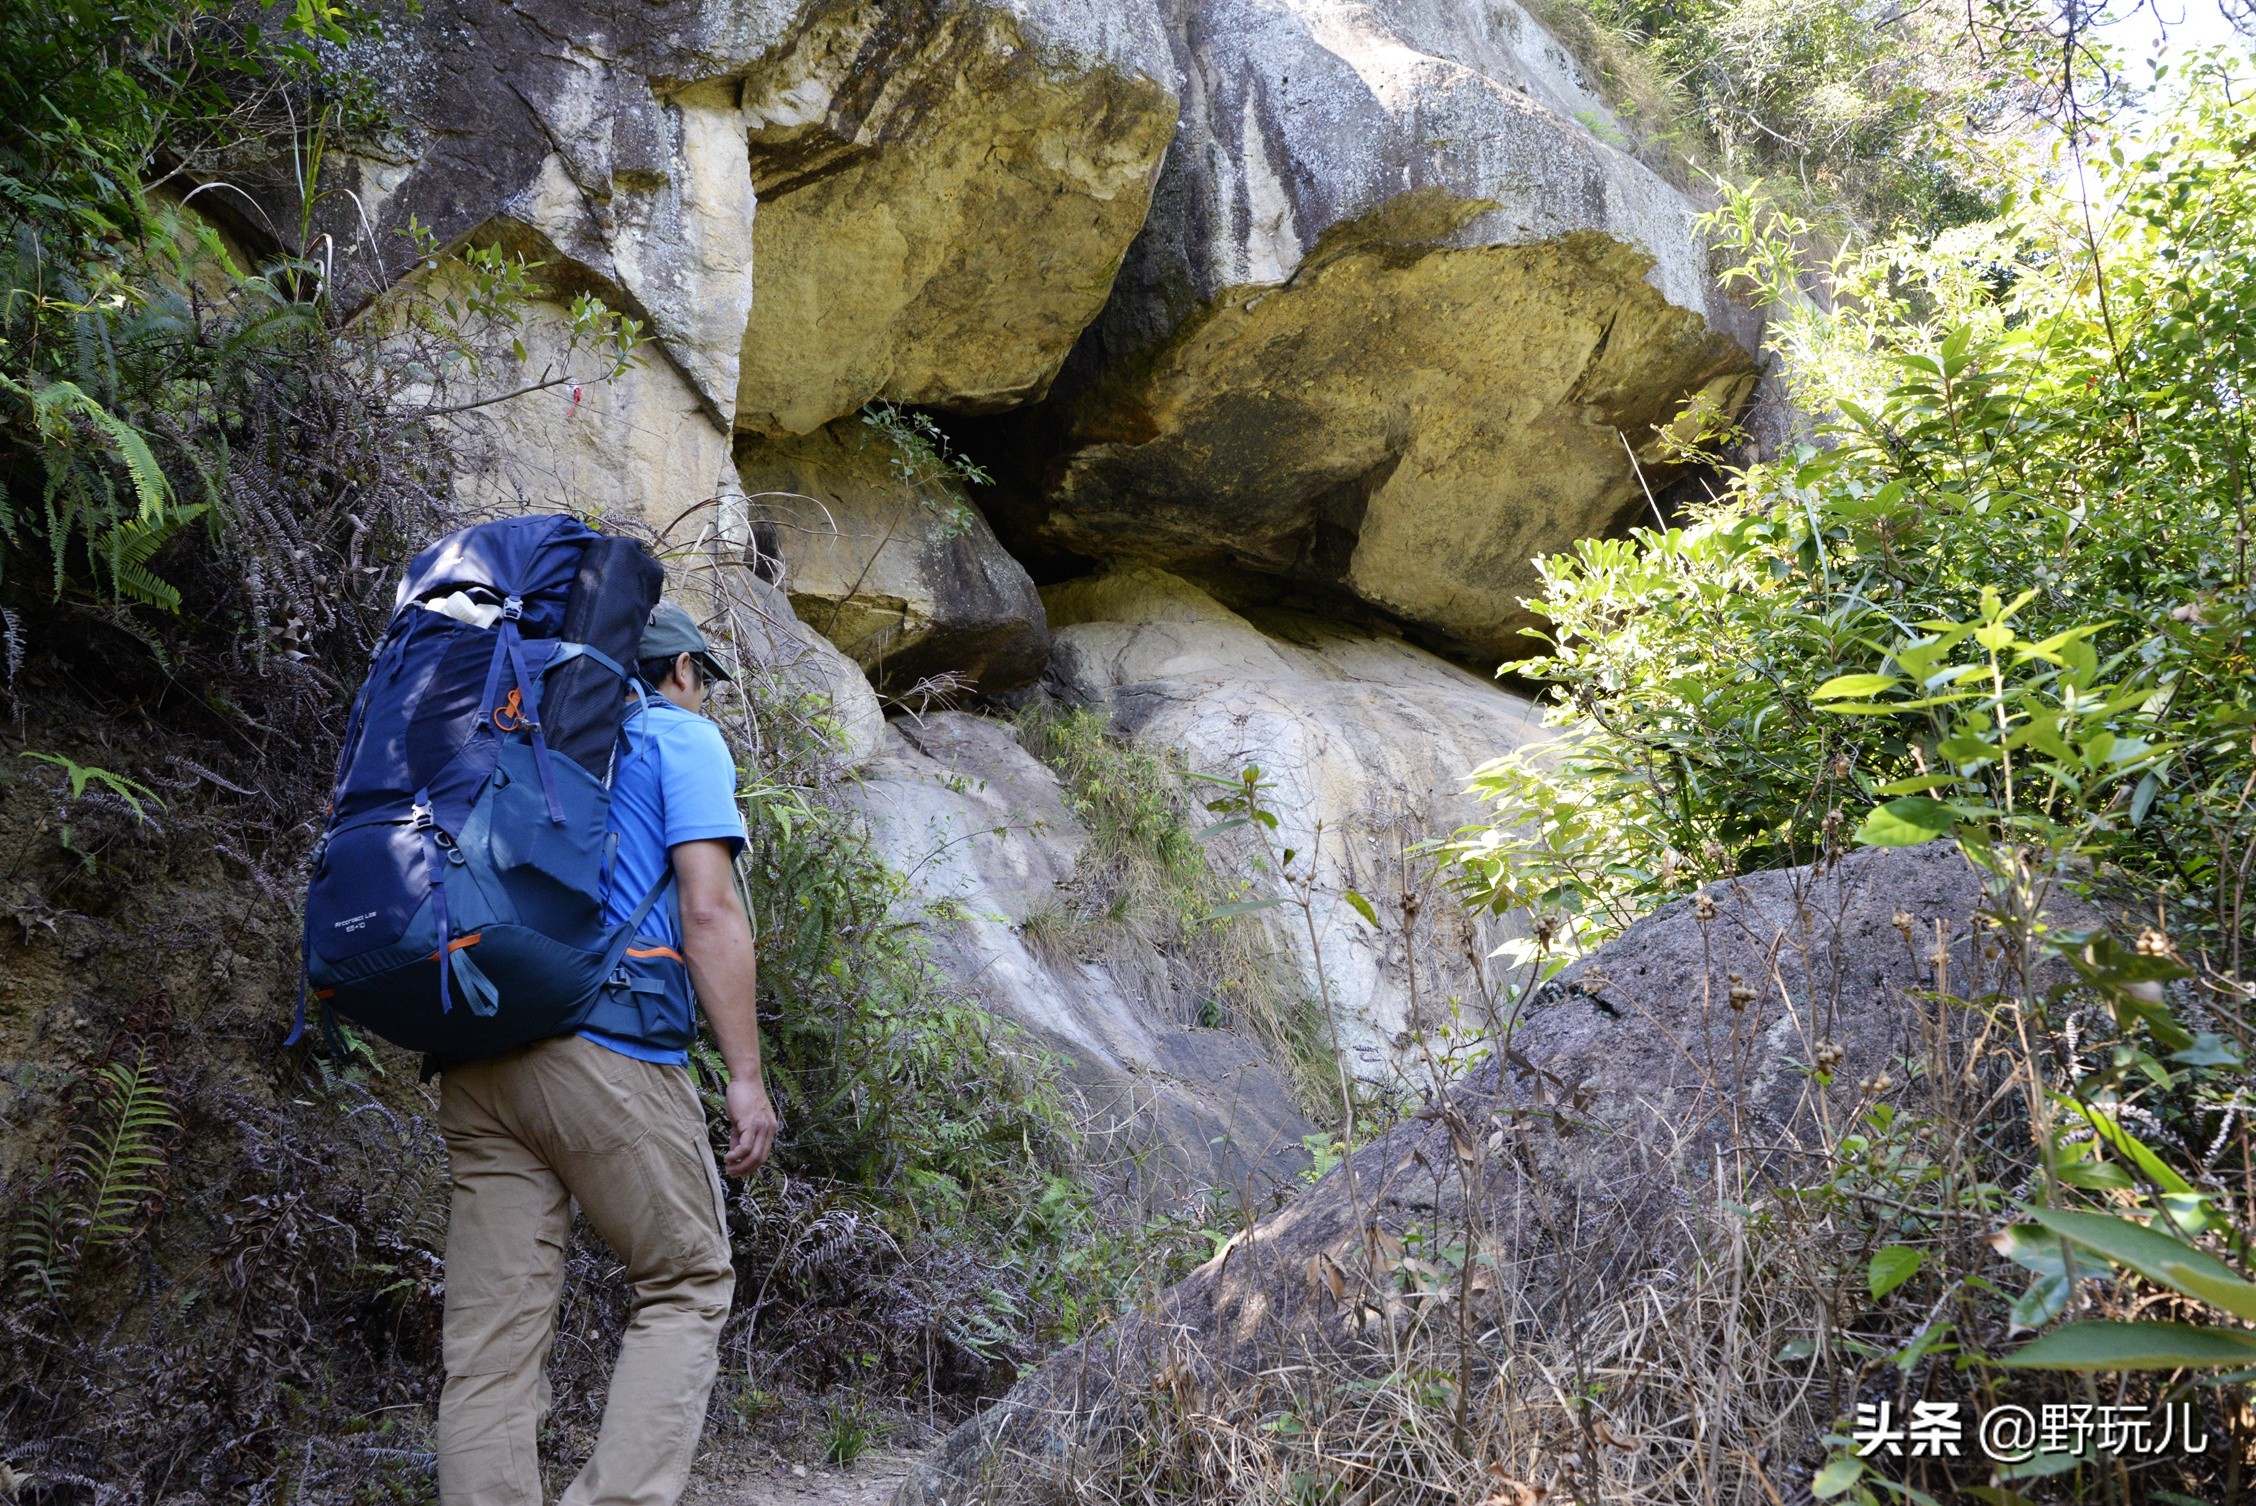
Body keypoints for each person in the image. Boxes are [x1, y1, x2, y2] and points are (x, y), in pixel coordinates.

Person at [434, 600, 779, 1506]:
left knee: (491, 1345)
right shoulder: (679, 737)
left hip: (477, 1047)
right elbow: (708, 912)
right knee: (687, 1281)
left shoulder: (507, 722)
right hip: (606, 1045)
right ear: (679, 672)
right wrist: (746, 1078)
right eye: (701, 683)